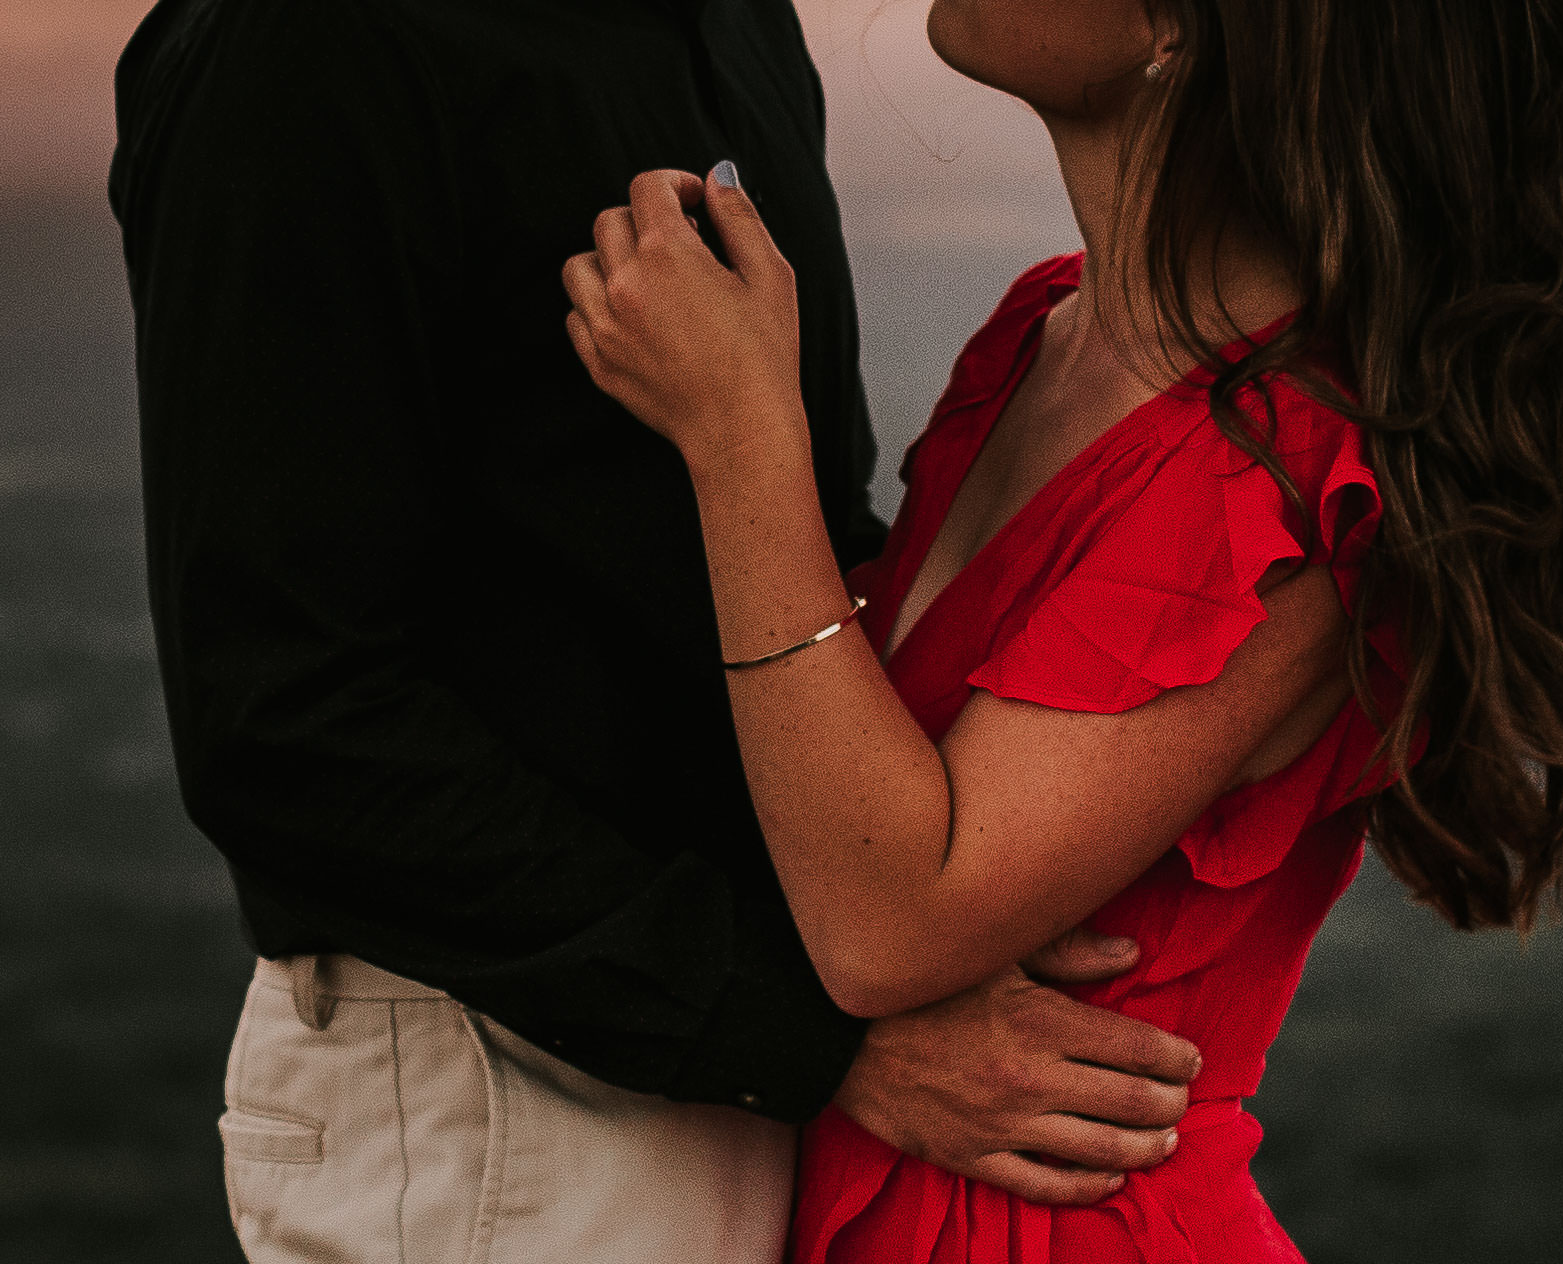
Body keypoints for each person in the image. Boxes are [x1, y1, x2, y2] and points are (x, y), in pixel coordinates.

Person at [562, 0, 1563, 1257]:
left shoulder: (1285, 473)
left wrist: (739, 434)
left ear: (1175, 28)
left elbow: (892, 921)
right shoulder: (1043, 333)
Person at [107, 0, 1204, 1259]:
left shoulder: (733, 20)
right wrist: (808, 1029)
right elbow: (281, 720)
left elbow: (798, 534)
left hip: (766, 1070)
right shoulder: (315, 41)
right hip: (504, 1097)